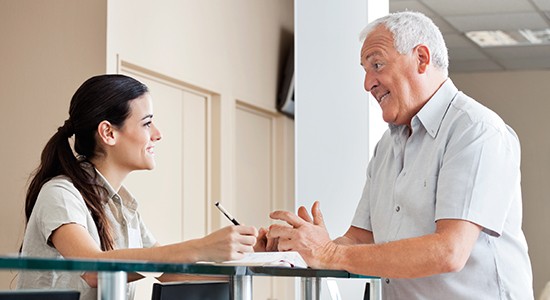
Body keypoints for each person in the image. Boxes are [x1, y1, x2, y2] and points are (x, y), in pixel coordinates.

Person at [268, 11, 534, 299]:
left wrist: (329, 253)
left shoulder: (476, 130)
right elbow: (359, 239)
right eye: (365, 70)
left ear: (421, 58)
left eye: (377, 65)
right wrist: (303, 245)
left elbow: (449, 252)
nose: (367, 83)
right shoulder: (386, 146)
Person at [17, 74, 259, 300]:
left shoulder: (124, 207)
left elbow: (169, 272)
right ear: (108, 132)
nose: (158, 134)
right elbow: (93, 269)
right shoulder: (60, 194)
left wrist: (252, 255)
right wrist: (202, 247)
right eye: (147, 123)